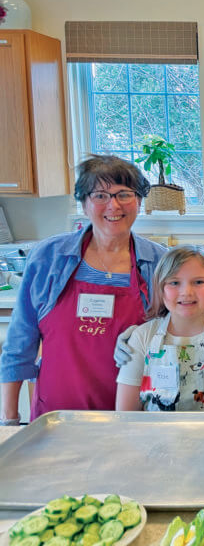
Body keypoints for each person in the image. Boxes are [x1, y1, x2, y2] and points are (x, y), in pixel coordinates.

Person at [0, 155, 166, 423]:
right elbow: (20, 344)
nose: (113, 205)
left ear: (139, 201)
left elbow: (183, 335)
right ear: (84, 203)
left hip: (134, 421)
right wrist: (8, 420)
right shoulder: (48, 258)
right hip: (56, 419)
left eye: (124, 194)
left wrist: (151, 333)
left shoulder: (159, 263)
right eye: (100, 195)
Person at [116, 246, 204, 411]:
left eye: (199, 282)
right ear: (160, 288)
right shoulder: (142, 336)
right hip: (150, 435)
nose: (186, 292)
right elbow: (126, 414)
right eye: (174, 283)